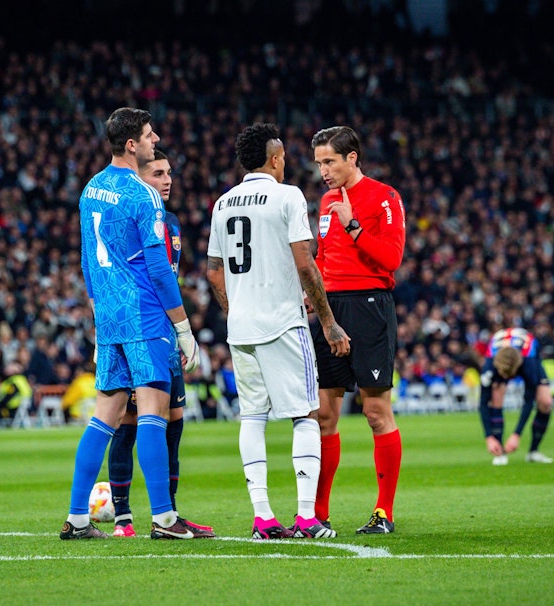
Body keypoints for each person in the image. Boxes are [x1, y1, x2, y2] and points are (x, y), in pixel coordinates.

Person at [60, 107, 201, 540]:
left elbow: (87, 260)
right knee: (154, 413)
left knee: (104, 416)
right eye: (149, 134)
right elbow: (159, 270)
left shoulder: (90, 190)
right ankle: (164, 519)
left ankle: (78, 519)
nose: (155, 138)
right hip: (145, 315)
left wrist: (100, 314)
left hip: (110, 318)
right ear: (131, 145)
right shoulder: (144, 195)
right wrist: (182, 328)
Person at [206, 122, 350, 539]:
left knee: (252, 417)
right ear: (274, 158)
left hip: (242, 329)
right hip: (283, 324)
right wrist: (328, 321)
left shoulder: (222, 203)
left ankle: (263, 518)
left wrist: (238, 311)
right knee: (306, 415)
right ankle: (306, 518)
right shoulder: (287, 196)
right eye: (283, 156)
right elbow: (305, 264)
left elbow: (215, 274)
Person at [106, 149, 214, 538]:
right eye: (158, 173)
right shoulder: (132, 216)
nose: (167, 180)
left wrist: (179, 329)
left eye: (169, 173)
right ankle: (122, 517)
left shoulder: (170, 222)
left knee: (174, 426)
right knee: (128, 425)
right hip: (139, 332)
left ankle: (168, 514)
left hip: (166, 335)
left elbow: (167, 277)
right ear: (139, 177)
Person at [309, 125, 406, 535]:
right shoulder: (327, 200)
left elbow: (392, 258)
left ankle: (384, 512)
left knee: (375, 412)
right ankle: (317, 514)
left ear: (352, 158)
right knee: (323, 415)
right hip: (330, 310)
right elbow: (322, 256)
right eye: (319, 164)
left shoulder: (385, 197)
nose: (324, 172)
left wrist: (354, 226)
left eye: (329, 161)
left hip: (369, 306)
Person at [479, 327, 554, 465]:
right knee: (496, 393)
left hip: (529, 355)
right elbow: (483, 403)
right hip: (502, 352)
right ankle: (499, 451)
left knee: (545, 402)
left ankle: (534, 451)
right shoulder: (490, 364)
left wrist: (516, 434)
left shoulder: (529, 363)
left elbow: (528, 400)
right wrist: (488, 437)